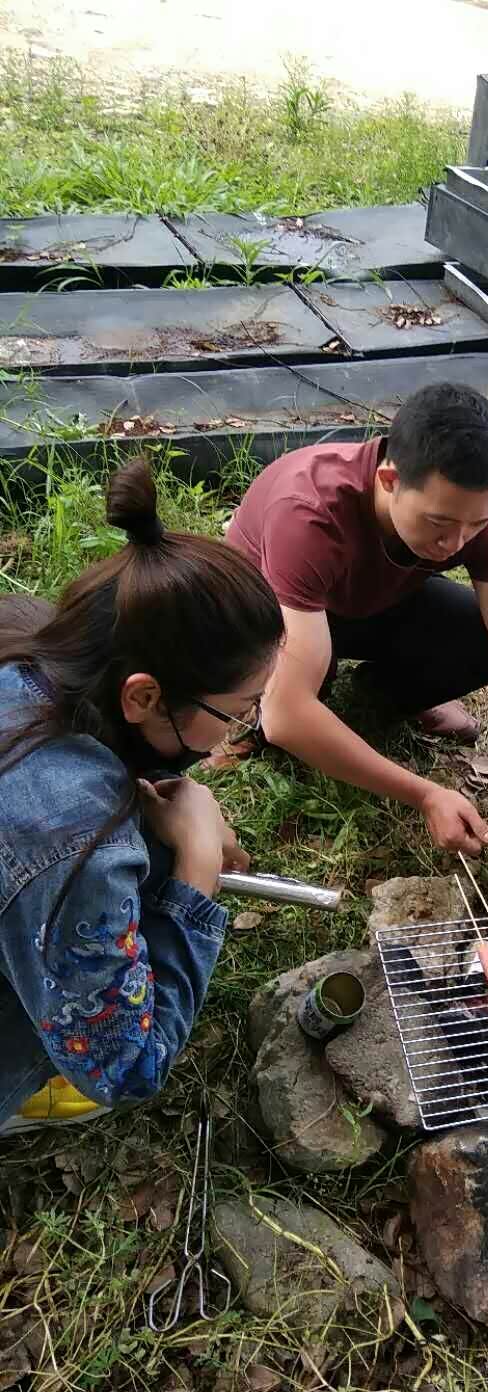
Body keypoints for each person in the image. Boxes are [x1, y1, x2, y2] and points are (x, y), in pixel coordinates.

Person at [0, 457, 284, 1133]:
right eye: (235, 711)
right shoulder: (73, 842)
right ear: (143, 696)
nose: (235, 732)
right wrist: (196, 866)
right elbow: (130, 1069)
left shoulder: (22, 635)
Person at [227, 382, 488, 862]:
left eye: (477, 526)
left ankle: (377, 700)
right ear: (389, 480)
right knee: (292, 706)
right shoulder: (310, 512)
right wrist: (425, 794)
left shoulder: (467, 509)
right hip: (269, 614)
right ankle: (254, 708)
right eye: (439, 524)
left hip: (367, 597)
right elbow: (287, 716)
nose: (457, 543)